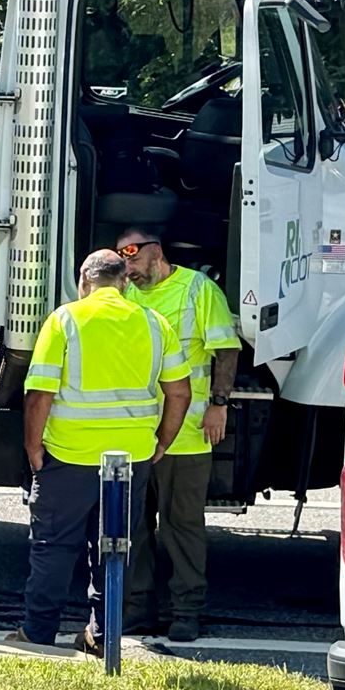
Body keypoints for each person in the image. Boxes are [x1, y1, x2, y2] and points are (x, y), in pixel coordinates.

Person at [18, 248, 193, 651]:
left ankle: (38, 633)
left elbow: (39, 394)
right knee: (115, 548)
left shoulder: (65, 320)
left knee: (54, 546)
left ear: (84, 281)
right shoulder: (154, 323)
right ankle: (102, 635)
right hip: (131, 457)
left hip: (70, 455)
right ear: (124, 282)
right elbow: (179, 391)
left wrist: (32, 447)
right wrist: (162, 441)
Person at [115, 228, 241, 645]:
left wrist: (219, 403)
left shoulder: (197, 290)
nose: (128, 268)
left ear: (157, 253)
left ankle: (186, 611)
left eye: (133, 258)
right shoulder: (124, 295)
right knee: (133, 527)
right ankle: (138, 607)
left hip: (187, 433)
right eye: (121, 260)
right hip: (136, 432)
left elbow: (226, 348)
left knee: (181, 525)